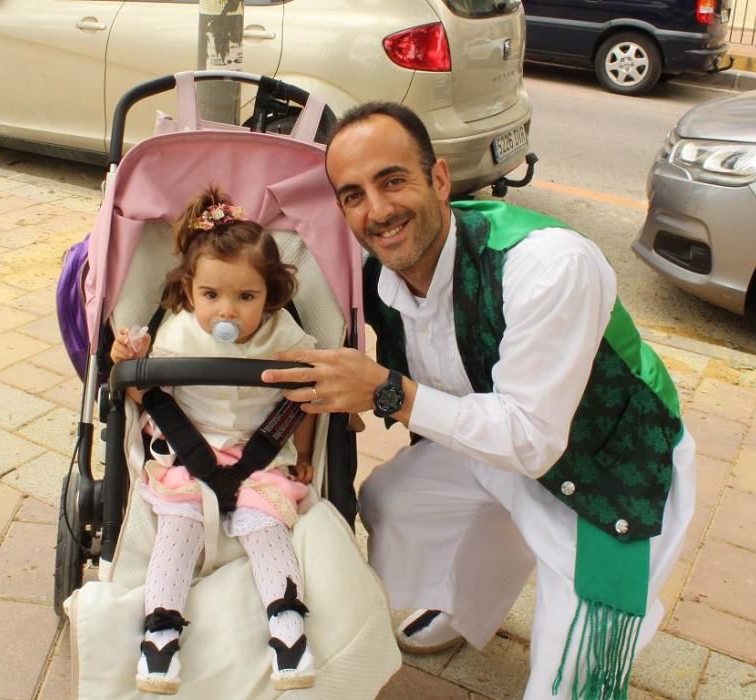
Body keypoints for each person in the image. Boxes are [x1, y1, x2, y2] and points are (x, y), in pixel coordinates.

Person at [260, 103, 697, 699]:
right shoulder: (376, 277)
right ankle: (461, 605)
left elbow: (532, 439)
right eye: (353, 195)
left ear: (440, 179)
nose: (378, 211)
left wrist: (384, 390)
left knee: (572, 684)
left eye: (393, 180)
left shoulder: (546, 265)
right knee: (393, 500)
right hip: (499, 447)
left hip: (608, 471)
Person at [111, 186, 318, 695]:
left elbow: (309, 397)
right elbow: (143, 392)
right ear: (189, 290)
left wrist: (307, 452)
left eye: (246, 297)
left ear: (271, 293)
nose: (227, 312)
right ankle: (160, 631)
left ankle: (287, 627)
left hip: (260, 454)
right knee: (177, 528)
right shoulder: (178, 333)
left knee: (265, 525)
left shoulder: (285, 338)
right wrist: (127, 360)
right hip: (188, 451)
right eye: (211, 296)